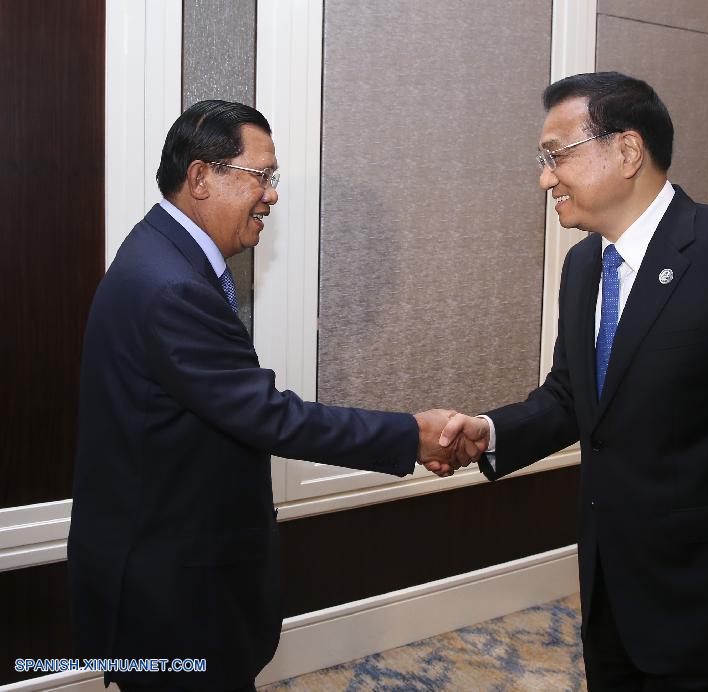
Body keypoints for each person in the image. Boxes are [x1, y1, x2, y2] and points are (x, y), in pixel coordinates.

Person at [441, 72, 708, 690]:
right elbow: (575, 397)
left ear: (627, 150)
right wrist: (490, 432)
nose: (546, 178)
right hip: (609, 591)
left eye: (555, 156)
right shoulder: (583, 267)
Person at [68, 100, 459, 692]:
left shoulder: (157, 253)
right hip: (172, 591)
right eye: (262, 175)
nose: (272, 195)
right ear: (201, 177)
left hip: (160, 565)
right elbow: (269, 416)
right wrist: (414, 434)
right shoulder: (172, 287)